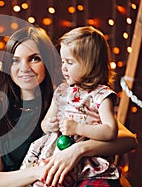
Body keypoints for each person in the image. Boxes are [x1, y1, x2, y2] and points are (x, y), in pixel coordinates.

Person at [0, 25, 138, 187]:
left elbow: (128, 140)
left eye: (34, 58)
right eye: (15, 60)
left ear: (47, 62)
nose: (24, 68)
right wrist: (42, 172)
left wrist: (77, 151)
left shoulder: (68, 97)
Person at [21, 26, 120, 186]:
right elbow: (45, 124)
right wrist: (49, 124)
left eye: (70, 62)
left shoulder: (101, 95)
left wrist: (78, 128)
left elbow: (110, 131)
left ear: (90, 65)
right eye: (63, 62)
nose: (64, 68)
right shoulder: (62, 91)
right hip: (56, 153)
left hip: (86, 160)